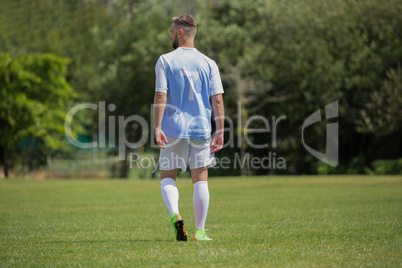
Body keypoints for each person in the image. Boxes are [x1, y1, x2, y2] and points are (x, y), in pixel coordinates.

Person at [153, 15, 225, 242]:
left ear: (180, 33)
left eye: (172, 31)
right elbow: (218, 100)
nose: (170, 35)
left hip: (173, 129)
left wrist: (157, 126)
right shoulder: (209, 63)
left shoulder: (165, 60)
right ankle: (200, 232)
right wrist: (220, 130)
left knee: (167, 178)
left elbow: (161, 94)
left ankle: (176, 216)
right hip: (201, 129)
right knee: (201, 181)